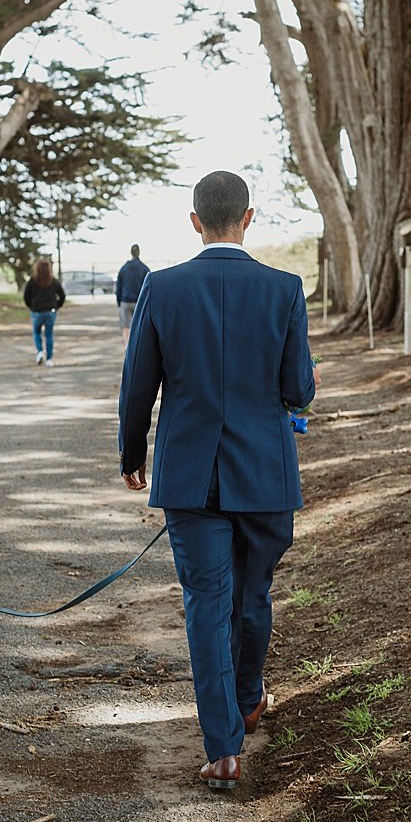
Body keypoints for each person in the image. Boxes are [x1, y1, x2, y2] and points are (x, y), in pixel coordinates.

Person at [117, 171, 316, 790]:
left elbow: (137, 386)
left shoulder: (162, 286)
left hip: (189, 473)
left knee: (207, 606)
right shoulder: (285, 289)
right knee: (252, 595)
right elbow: (298, 390)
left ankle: (223, 748)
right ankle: (250, 697)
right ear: (249, 219)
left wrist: (132, 454)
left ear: (195, 221)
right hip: (264, 472)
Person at [23, 257, 67, 366]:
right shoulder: (53, 281)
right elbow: (62, 295)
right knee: (49, 335)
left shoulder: (32, 281)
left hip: (37, 312)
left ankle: (39, 351)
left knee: (37, 332)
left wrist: (32, 307)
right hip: (50, 312)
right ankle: (49, 359)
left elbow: (26, 297)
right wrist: (57, 306)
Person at [116, 244, 150, 338]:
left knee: (126, 327)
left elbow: (118, 287)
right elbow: (148, 288)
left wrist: (119, 302)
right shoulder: (144, 269)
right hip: (139, 302)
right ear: (139, 253)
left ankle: (127, 348)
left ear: (131, 253)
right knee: (139, 327)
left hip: (125, 301)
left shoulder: (123, 269)